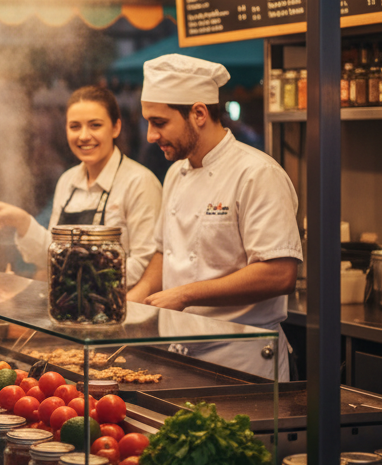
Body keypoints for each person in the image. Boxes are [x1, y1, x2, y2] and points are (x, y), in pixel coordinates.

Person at [126, 53, 302, 379]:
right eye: (148, 122)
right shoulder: (176, 174)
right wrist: (132, 304)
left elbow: (279, 274)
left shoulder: (257, 174)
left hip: (244, 357)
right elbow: (166, 254)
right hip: (180, 352)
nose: (150, 136)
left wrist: (184, 294)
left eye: (159, 122)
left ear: (198, 113)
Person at [0, 86, 162, 285]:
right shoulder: (67, 181)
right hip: (70, 307)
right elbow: (54, 253)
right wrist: (22, 222)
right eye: (75, 127)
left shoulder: (139, 182)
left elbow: (144, 265)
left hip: (121, 310)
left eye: (95, 125)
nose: (83, 136)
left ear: (116, 128)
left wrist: (80, 279)